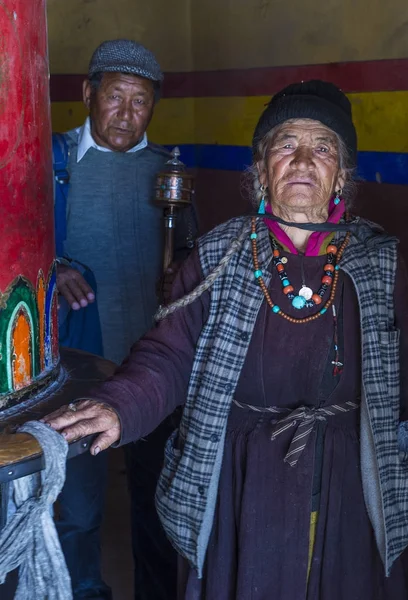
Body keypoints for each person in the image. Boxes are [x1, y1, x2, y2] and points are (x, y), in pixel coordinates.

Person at [46, 80, 408, 599]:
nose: (301, 160)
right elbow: (168, 353)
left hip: (351, 479)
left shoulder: (378, 262)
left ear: (340, 175)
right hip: (245, 478)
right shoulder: (221, 254)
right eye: (285, 145)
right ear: (260, 170)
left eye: (322, 148)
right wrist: (119, 406)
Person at [54, 39, 194, 600]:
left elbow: (191, 259)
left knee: (157, 507)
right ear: (88, 94)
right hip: (78, 370)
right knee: (78, 511)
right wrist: (54, 266)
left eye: (141, 103)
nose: (127, 114)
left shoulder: (169, 174)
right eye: (115, 97)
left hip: (151, 368)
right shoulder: (51, 164)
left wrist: (183, 270)